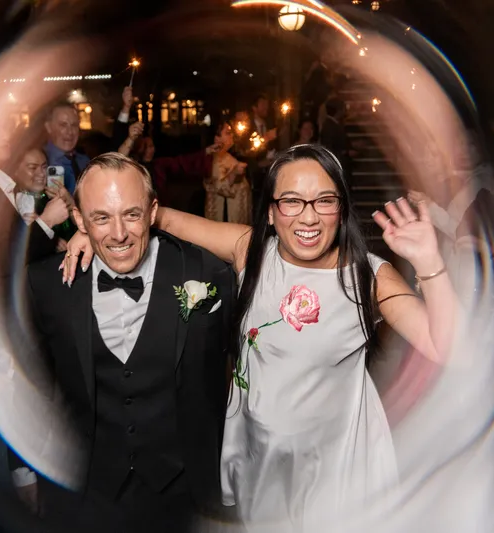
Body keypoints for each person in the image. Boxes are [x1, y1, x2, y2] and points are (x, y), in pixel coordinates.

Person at [62, 145, 460, 530]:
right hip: (260, 461)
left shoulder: (366, 276)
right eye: (291, 201)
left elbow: (444, 345)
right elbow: (156, 217)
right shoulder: (252, 251)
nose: (308, 218)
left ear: (341, 209)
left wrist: (430, 264)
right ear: (271, 212)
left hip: (336, 469)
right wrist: (97, 237)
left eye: (324, 200)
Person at [23, 153, 237, 532]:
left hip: (185, 495)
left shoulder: (207, 272)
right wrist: (23, 472)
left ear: (153, 211)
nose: (118, 234)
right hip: (86, 495)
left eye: (132, 214)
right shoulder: (46, 286)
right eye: (101, 217)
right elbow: (29, 384)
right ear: (79, 221)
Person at [204, 122, 250, 224]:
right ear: (217, 138)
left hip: (238, 217)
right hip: (225, 219)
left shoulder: (227, 156)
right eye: (228, 133)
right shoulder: (214, 159)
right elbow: (221, 187)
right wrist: (234, 173)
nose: (232, 135)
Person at [43, 101, 89, 193]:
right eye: (63, 125)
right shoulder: (41, 164)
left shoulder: (85, 161)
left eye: (74, 125)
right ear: (49, 127)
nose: (70, 132)